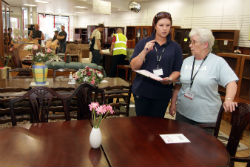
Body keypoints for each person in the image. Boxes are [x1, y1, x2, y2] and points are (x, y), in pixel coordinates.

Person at [169, 28, 238, 129]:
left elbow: (231, 82)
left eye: (194, 42)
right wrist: (173, 103)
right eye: (190, 42)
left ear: (205, 44)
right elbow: (179, 85)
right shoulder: (187, 61)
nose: (190, 45)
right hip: (183, 113)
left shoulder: (218, 62)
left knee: (201, 145)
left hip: (205, 118)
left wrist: (228, 99)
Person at [130, 11, 183, 118]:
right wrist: (144, 51)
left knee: (157, 126)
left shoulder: (175, 47)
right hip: (142, 91)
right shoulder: (143, 42)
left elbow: (177, 70)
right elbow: (134, 66)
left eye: (168, 25)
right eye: (161, 25)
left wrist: (170, 79)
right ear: (155, 26)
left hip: (162, 93)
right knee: (141, 125)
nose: (164, 28)